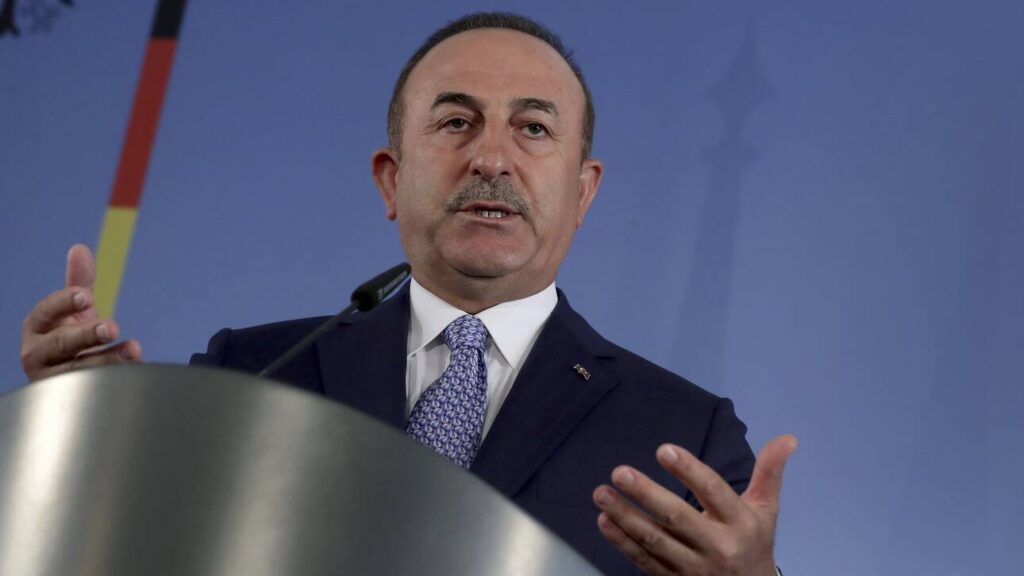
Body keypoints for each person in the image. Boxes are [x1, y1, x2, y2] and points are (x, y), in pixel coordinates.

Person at [20, 12, 796, 576]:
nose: (491, 158)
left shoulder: (682, 437)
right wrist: (98, 432)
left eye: (532, 129)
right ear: (390, 180)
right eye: (456, 122)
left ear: (584, 192)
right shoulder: (250, 375)